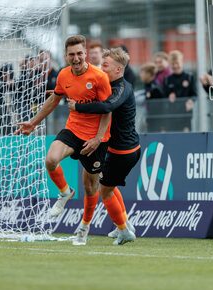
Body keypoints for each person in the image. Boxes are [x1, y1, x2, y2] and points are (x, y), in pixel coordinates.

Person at [15, 35, 112, 246]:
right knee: (50, 160)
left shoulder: (99, 77)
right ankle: (65, 192)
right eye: (71, 54)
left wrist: (97, 138)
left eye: (79, 53)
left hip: (96, 138)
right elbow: (54, 99)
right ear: (66, 56)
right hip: (73, 130)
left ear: (85, 54)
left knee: (90, 186)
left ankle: (84, 228)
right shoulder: (63, 75)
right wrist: (33, 122)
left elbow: (107, 110)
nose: (75, 58)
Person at [68, 47, 140, 245]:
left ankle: (125, 231)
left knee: (105, 190)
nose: (101, 68)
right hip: (117, 150)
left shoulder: (121, 88)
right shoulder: (108, 85)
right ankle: (124, 224)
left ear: (118, 70)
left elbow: (107, 106)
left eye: (105, 65)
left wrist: (78, 107)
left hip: (124, 151)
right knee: (108, 184)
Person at [163, 50, 196, 132]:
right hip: (171, 117)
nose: (175, 66)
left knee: (186, 139)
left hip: (186, 116)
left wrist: (191, 101)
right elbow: (163, 97)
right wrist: (168, 98)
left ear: (182, 62)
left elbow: (195, 94)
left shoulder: (189, 77)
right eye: (173, 64)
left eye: (177, 63)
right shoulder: (167, 80)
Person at [139, 62, 166, 132]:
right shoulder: (147, 86)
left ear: (149, 74)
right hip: (149, 120)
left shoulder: (155, 89)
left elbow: (159, 109)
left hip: (156, 123)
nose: (140, 75)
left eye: (142, 73)